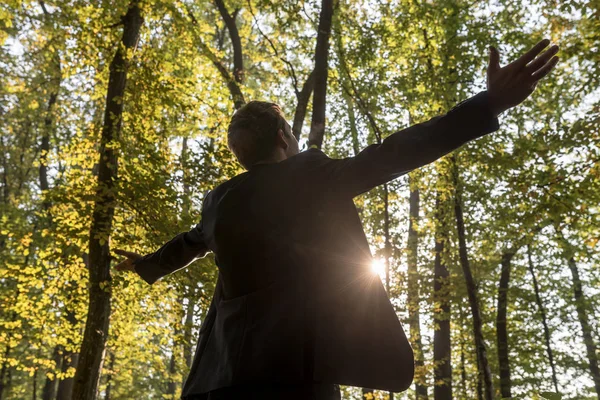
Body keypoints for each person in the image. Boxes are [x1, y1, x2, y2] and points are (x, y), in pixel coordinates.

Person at [115, 39, 559, 399]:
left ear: (240, 153)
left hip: (225, 376)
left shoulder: (217, 202)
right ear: (286, 137)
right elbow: (396, 153)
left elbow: (186, 245)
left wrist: (146, 264)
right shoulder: (308, 176)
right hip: (299, 371)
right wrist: (489, 104)